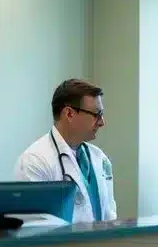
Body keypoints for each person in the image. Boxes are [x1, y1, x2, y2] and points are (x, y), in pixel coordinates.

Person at [15, 78, 117, 223]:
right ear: (69, 114)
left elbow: (109, 215)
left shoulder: (99, 158)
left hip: (100, 244)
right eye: (96, 114)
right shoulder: (35, 161)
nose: (102, 122)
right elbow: (36, 225)